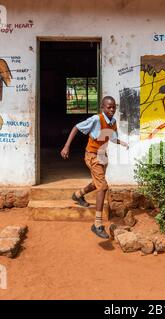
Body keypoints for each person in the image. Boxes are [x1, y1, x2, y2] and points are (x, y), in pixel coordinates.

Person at [61, 96, 129, 239]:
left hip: (102, 156)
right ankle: (97, 224)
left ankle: (78, 194)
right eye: (108, 107)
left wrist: (121, 142)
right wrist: (67, 146)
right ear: (102, 108)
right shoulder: (96, 119)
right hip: (92, 155)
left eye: (113, 107)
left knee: (97, 183)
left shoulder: (113, 122)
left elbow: (111, 137)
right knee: (103, 186)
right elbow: (76, 127)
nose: (111, 110)